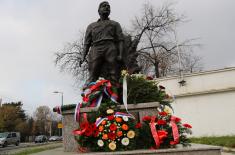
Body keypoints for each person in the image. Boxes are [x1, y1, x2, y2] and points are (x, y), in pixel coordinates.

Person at [81, 1, 124, 84]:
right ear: (99, 10)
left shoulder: (115, 24)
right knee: (93, 72)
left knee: (114, 72)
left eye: (108, 6)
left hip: (110, 47)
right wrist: (83, 56)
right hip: (96, 48)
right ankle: (89, 92)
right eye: (104, 6)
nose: (107, 7)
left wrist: (120, 54)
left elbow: (120, 40)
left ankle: (115, 91)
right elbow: (87, 43)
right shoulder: (91, 26)